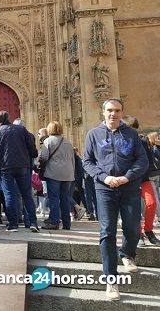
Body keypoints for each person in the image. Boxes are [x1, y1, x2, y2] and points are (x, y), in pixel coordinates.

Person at [83, 98, 148, 301]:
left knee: (131, 227)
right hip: (105, 189)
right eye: (110, 110)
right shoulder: (93, 134)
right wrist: (105, 178)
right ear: (103, 112)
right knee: (107, 232)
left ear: (122, 112)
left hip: (129, 187)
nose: (113, 114)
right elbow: (88, 161)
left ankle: (127, 253)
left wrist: (127, 177)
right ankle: (111, 280)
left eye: (117, 110)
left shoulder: (131, 134)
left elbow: (142, 160)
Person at [0, 110, 39, 232]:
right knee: (27, 195)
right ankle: (33, 222)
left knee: (9, 195)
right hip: (22, 166)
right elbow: (31, 146)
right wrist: (33, 155)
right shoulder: (21, 130)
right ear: (9, 118)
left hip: (5, 167)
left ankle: (13, 224)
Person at [122, 117, 159, 245]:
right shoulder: (121, 142)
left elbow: (148, 159)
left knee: (152, 203)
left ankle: (148, 230)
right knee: (134, 207)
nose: (133, 133)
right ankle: (138, 234)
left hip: (143, 178)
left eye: (135, 130)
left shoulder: (142, 142)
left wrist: (143, 170)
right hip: (128, 180)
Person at [38, 121, 75, 230]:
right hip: (68, 174)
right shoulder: (68, 142)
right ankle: (67, 223)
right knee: (65, 198)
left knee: (54, 197)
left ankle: (54, 222)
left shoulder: (48, 141)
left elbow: (43, 157)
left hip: (54, 173)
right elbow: (72, 159)